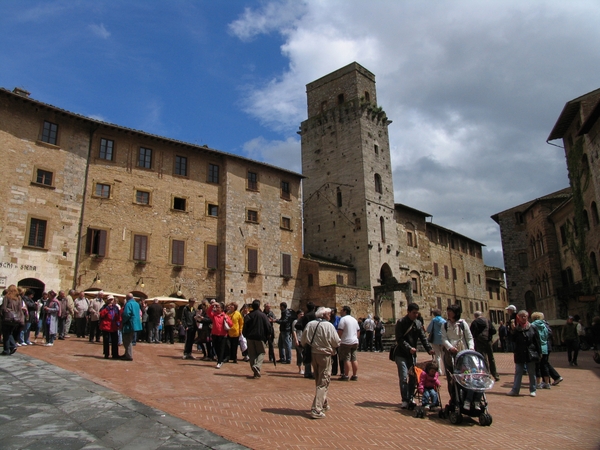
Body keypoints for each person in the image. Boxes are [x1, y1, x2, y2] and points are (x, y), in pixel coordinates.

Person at [393, 302, 435, 408]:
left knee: (413, 376)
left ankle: (411, 397)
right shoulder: (401, 322)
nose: (416, 315)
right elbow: (399, 339)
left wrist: (429, 349)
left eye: (417, 313)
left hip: (412, 355)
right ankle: (404, 399)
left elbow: (423, 338)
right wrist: (408, 348)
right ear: (408, 312)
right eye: (414, 313)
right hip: (401, 353)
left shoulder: (418, 323)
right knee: (403, 376)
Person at [301, 307, 341, 419]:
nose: (330, 316)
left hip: (313, 354)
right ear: (324, 315)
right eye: (328, 314)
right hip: (325, 355)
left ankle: (324, 403)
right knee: (323, 381)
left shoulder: (310, 324)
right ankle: (316, 409)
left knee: (319, 378)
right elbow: (336, 342)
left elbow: (303, 340)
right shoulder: (329, 326)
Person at [507, 310, 542, 397]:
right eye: (521, 316)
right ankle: (515, 390)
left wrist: (539, 352)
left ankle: (533, 390)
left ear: (527, 316)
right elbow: (512, 340)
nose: (523, 318)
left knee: (531, 372)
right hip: (519, 353)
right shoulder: (516, 329)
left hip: (530, 352)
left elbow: (537, 341)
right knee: (518, 371)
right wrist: (512, 330)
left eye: (525, 316)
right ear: (518, 317)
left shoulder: (532, 327)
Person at [441, 304, 474, 382]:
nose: (448, 313)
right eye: (448, 311)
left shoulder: (462, 324)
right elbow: (444, 338)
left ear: (455, 313)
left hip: (462, 350)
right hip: (450, 352)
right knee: (451, 374)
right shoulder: (445, 325)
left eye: (450, 311)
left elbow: (469, 337)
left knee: (464, 372)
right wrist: (450, 347)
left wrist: (471, 348)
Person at [242, 299, 271, 378]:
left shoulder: (249, 316)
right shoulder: (263, 315)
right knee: (261, 352)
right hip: (259, 337)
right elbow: (268, 326)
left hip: (250, 337)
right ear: (259, 306)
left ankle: (255, 371)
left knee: (252, 354)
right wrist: (268, 334)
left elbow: (245, 327)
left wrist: (245, 335)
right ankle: (257, 366)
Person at [470, 311, 500, 381]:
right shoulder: (487, 321)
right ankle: (495, 374)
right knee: (491, 358)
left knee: (483, 358)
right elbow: (494, 331)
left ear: (475, 316)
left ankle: (487, 374)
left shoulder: (475, 322)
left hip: (479, 342)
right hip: (488, 341)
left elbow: (472, 333)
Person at [207, 301, 233, 369]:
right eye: (217, 307)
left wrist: (226, 320)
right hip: (215, 334)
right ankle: (219, 359)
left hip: (223, 335)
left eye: (218, 307)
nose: (217, 308)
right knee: (216, 348)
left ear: (222, 309)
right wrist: (212, 305)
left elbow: (231, 324)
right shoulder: (214, 315)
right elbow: (208, 312)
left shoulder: (225, 316)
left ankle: (219, 362)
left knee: (221, 349)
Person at [337, 305, 360, 381]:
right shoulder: (354, 319)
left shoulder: (343, 319)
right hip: (354, 341)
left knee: (346, 358)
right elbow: (358, 331)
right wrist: (355, 337)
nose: (340, 312)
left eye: (341, 310)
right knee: (354, 358)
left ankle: (346, 375)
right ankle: (355, 375)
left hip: (346, 341)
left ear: (345, 311)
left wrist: (338, 338)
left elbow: (340, 331)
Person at [1, 284, 24, 355]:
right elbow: (20, 309)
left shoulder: (6, 297)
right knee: (9, 333)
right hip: (16, 318)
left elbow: (4, 308)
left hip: (7, 318)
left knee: (6, 333)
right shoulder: (18, 298)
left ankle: (8, 348)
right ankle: (10, 347)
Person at [531, 312, 551, 389]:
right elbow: (547, 335)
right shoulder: (544, 325)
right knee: (545, 365)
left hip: (537, 348)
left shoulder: (532, 325)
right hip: (545, 347)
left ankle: (538, 383)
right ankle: (547, 383)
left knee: (537, 366)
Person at [120, 293, 141, 361]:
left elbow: (127, 314)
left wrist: (123, 320)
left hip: (129, 324)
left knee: (127, 340)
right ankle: (127, 353)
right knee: (130, 339)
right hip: (135, 324)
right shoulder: (137, 304)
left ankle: (129, 355)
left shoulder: (128, 304)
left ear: (127, 298)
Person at [300, 302, 317, 379]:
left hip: (307, 336)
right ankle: (315, 372)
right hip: (315, 337)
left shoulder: (306, 316)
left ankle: (307, 372)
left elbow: (299, 325)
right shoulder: (315, 316)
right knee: (315, 354)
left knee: (307, 354)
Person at [426, 309, 446, 374]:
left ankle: (439, 371)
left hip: (435, 339)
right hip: (443, 339)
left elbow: (428, 329)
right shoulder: (444, 321)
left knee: (437, 355)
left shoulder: (434, 320)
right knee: (443, 355)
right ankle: (445, 370)